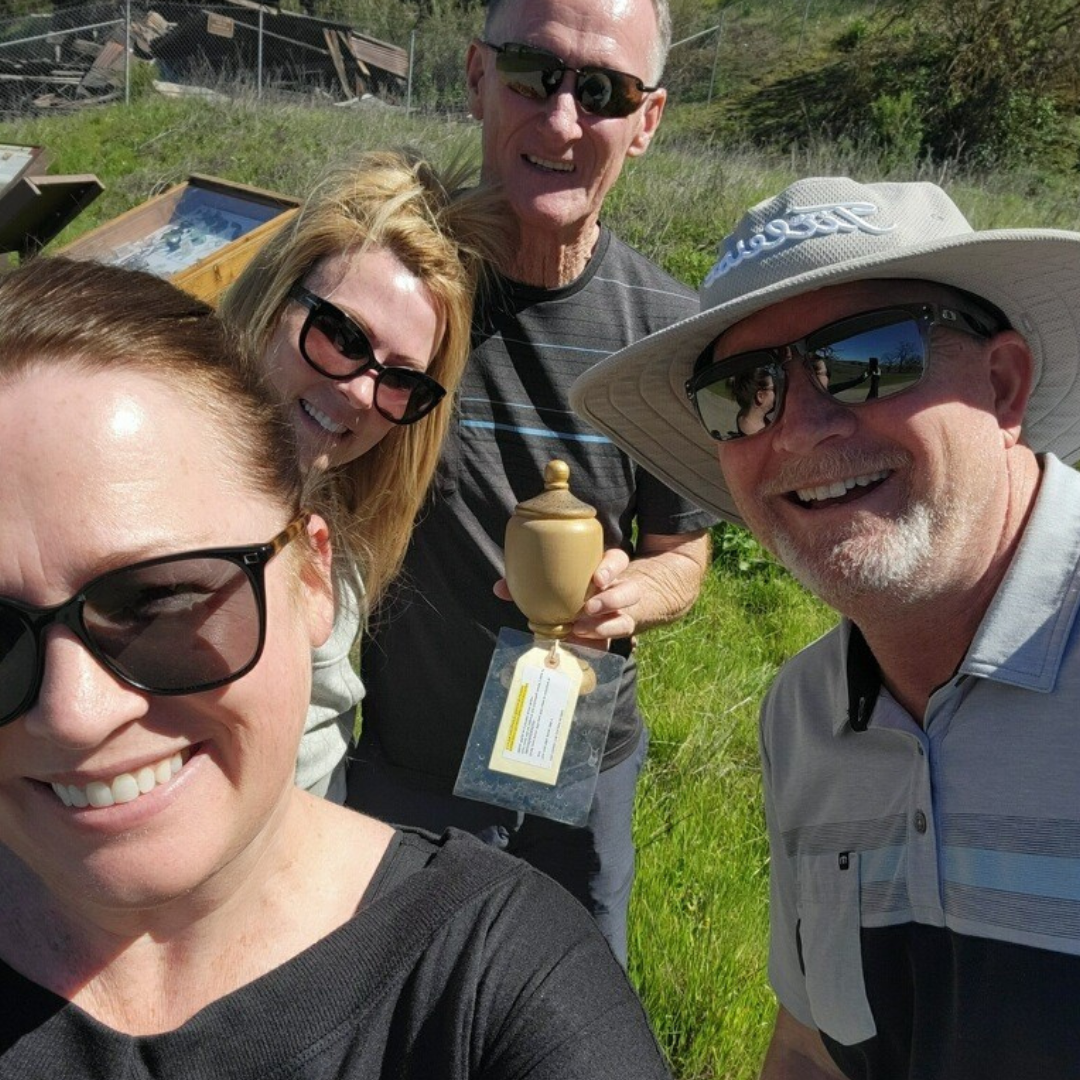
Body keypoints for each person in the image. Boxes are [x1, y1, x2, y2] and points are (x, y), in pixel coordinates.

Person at [0, 255, 675, 1079]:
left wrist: (627, 594)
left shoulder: (487, 974)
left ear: (311, 574)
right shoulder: (248, 475)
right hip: (415, 757)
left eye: (164, 599)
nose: (72, 711)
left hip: (566, 718)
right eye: (340, 335)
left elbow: (685, 546)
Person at [572, 176, 1080, 1078]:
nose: (801, 426)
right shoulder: (803, 718)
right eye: (745, 392)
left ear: (1004, 387)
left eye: (870, 357)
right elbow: (815, 1046)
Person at [348, 0, 715, 966]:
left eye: (602, 91)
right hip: (399, 762)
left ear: (647, 122)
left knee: (568, 1008)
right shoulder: (395, 297)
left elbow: (686, 548)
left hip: (578, 766)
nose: (560, 119)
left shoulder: (665, 336)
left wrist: (636, 592)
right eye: (531, 72)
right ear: (476, 77)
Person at [220, 150, 509, 803]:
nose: (357, 393)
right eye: (342, 336)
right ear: (273, 298)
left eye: (401, 379)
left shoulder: (339, 523)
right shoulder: (138, 490)